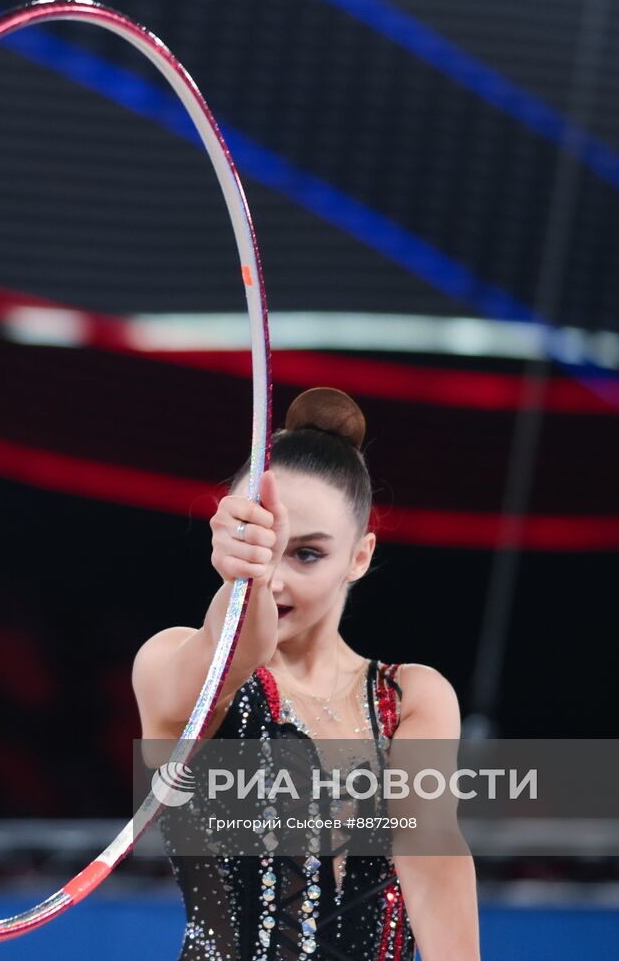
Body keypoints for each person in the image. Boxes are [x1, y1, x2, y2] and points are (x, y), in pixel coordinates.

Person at [133, 387, 480, 960]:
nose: (275, 578)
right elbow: (239, 649)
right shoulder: (173, 663)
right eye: (263, 545)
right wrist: (243, 576)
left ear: (359, 557)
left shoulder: (412, 698)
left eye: (307, 554)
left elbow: (431, 855)